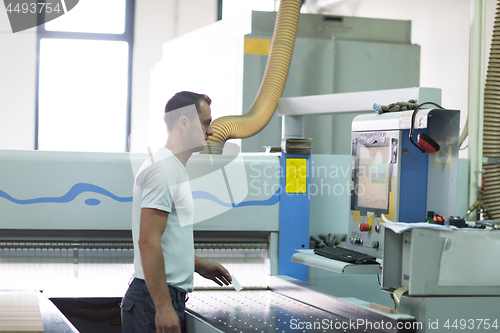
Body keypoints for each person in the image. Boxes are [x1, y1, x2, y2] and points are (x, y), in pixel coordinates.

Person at [121, 91, 232, 333]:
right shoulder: (163, 170)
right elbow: (148, 242)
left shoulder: (173, 168)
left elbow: (164, 241)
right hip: (152, 301)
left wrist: (198, 265)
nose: (211, 131)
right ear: (184, 122)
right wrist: (163, 306)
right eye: (205, 122)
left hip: (159, 297)